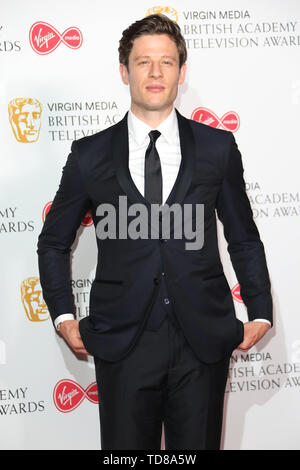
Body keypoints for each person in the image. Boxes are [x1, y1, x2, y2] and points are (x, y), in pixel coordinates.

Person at [37, 14, 273, 450]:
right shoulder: (89, 155)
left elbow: (242, 235)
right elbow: (53, 241)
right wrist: (64, 317)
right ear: (124, 71)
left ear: (182, 72)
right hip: (122, 343)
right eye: (143, 62)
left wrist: (260, 310)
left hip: (202, 341)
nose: (155, 73)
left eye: (166, 62)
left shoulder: (217, 148)